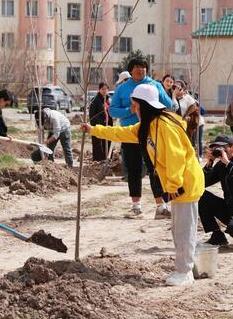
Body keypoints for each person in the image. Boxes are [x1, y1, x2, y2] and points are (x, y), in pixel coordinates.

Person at [81, 83, 204, 286]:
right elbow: (121, 133)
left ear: (145, 105)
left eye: (136, 105)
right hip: (178, 186)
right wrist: (94, 130)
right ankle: (182, 269)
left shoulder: (165, 126)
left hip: (185, 184)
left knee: (184, 231)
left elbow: (176, 157)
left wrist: (174, 186)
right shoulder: (147, 126)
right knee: (178, 230)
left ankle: (185, 272)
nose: (134, 109)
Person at [109, 57, 174, 219]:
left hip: (152, 134)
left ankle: (161, 206)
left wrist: (158, 90)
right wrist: (128, 110)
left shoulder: (155, 84)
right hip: (131, 135)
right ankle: (136, 207)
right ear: (131, 70)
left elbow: (169, 105)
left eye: (144, 67)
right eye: (138, 67)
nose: (141, 70)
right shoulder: (123, 88)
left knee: (156, 169)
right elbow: (112, 111)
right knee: (134, 170)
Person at [89, 83, 112, 161]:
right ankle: (98, 160)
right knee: (97, 143)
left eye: (106, 89)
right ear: (99, 90)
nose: (104, 91)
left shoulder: (108, 99)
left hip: (108, 125)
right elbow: (92, 115)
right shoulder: (95, 100)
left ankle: (108, 158)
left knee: (107, 142)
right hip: (98, 125)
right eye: (103, 89)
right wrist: (94, 126)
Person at [174, 80, 200, 146]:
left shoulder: (187, 98)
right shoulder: (171, 97)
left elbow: (194, 108)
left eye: (179, 88)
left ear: (183, 90)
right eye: (175, 87)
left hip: (185, 126)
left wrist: (186, 116)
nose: (177, 89)